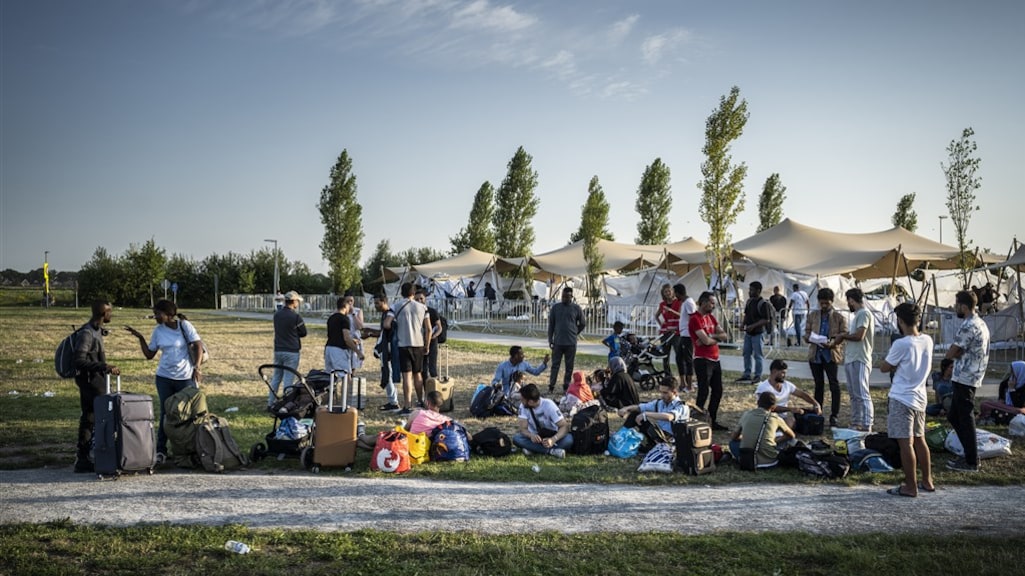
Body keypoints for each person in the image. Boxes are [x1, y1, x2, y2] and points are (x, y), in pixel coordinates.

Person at [125, 299, 204, 464]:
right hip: (164, 378)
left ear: (169, 315)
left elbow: (198, 345)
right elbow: (149, 355)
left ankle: (190, 449)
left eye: (158, 314)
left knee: (189, 414)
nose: (156, 317)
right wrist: (140, 338)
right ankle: (161, 450)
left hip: (185, 377)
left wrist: (197, 367)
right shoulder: (158, 331)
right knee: (166, 413)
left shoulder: (184, 326)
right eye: (155, 314)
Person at [879, 302, 935, 497]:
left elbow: (885, 367)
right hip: (920, 396)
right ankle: (927, 480)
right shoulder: (927, 340)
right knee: (920, 440)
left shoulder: (901, 344)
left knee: (906, 444)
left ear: (900, 321)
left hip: (901, 397)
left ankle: (910, 486)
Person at [71, 299, 121, 473]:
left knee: (91, 418)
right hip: (90, 381)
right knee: (93, 418)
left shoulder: (96, 330)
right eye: (110, 312)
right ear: (103, 313)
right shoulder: (87, 333)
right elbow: (78, 361)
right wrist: (104, 367)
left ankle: (85, 457)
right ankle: (85, 457)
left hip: (95, 379)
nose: (111, 314)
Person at [945, 290, 991, 472]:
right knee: (954, 415)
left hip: (966, 376)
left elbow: (952, 352)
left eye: (957, 305)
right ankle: (968, 452)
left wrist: (953, 355)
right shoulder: (981, 323)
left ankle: (971, 460)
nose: (956, 308)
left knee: (965, 417)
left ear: (964, 307)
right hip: (970, 374)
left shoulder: (969, 325)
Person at [804, 287, 848, 428]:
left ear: (831, 302)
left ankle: (834, 415)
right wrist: (810, 338)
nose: (823, 306)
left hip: (830, 354)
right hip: (816, 354)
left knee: (834, 385)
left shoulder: (839, 317)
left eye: (826, 304)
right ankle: (818, 410)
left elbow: (844, 334)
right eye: (821, 303)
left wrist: (833, 343)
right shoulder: (813, 316)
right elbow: (806, 333)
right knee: (819, 385)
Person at [835, 288, 874, 432]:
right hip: (851, 358)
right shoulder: (858, 315)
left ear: (852, 300)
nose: (848, 304)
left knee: (862, 393)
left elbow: (859, 336)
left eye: (848, 301)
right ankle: (856, 421)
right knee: (853, 394)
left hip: (860, 358)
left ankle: (867, 423)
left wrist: (843, 336)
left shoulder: (864, 313)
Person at [690, 291, 729, 431]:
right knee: (703, 391)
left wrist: (711, 336)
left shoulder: (711, 318)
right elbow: (704, 341)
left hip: (715, 359)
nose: (713, 306)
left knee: (717, 390)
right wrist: (710, 338)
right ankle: (697, 420)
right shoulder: (695, 319)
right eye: (712, 303)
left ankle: (712, 419)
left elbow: (724, 335)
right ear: (704, 302)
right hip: (702, 360)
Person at [617, 376, 689, 449]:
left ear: (674, 392)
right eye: (661, 392)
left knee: (642, 416)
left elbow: (669, 417)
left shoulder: (681, 406)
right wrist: (626, 408)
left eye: (665, 393)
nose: (662, 395)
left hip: (671, 440)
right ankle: (620, 436)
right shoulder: (660, 403)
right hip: (660, 434)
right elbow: (641, 407)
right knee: (635, 414)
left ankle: (653, 445)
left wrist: (646, 414)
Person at [393, 282, 432, 416]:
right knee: (418, 374)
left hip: (403, 344)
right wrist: (427, 345)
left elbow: (389, 322)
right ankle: (420, 400)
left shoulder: (396, 306)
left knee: (406, 376)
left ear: (401, 293)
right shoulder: (423, 307)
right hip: (418, 343)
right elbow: (428, 329)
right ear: (413, 293)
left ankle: (407, 404)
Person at [730, 391, 795, 469]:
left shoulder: (747, 415)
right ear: (774, 407)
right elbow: (791, 435)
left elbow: (734, 437)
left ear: (757, 402)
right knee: (790, 441)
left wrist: (745, 438)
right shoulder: (776, 418)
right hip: (770, 463)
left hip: (748, 461)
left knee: (733, 443)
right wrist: (775, 441)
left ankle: (741, 458)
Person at [753, 359, 821, 430]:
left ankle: (779, 435)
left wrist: (816, 404)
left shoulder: (787, 385)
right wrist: (790, 409)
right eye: (783, 373)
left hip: (782, 418)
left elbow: (802, 394)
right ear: (774, 371)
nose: (784, 375)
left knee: (791, 421)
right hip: (767, 418)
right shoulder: (763, 387)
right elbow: (771, 408)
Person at [267, 291, 307, 407]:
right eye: (297, 301)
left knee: (276, 377)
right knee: (288, 379)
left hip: (278, 349)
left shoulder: (277, 315)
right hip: (292, 350)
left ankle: (271, 402)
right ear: (294, 302)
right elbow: (303, 332)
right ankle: (286, 403)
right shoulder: (296, 317)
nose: (298, 303)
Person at [363, 293, 401, 412]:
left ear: (384, 302)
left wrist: (370, 333)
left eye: (377, 303)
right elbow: (382, 332)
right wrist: (370, 332)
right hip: (387, 347)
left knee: (388, 374)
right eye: (374, 303)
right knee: (387, 373)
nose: (375, 306)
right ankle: (392, 400)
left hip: (389, 349)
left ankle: (393, 401)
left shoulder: (389, 314)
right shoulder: (385, 314)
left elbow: (387, 332)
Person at [514, 383, 573, 458]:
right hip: (534, 438)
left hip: (552, 435)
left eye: (522, 399)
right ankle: (552, 451)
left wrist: (553, 439)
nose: (521, 401)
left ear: (530, 402)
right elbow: (523, 429)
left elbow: (564, 426)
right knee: (517, 438)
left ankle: (533, 449)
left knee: (569, 439)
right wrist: (531, 435)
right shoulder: (523, 407)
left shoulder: (549, 405)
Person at [547, 286, 586, 394]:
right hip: (558, 342)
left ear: (571, 297)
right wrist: (550, 339)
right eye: (563, 296)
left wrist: (574, 332)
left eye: (566, 296)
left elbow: (582, 323)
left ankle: (566, 386)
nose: (564, 298)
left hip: (571, 343)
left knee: (569, 366)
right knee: (555, 365)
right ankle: (551, 386)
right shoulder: (555, 308)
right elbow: (551, 325)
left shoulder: (576, 308)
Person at [737, 281, 771, 383]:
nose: (749, 292)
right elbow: (746, 315)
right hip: (748, 334)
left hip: (758, 333)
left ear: (758, 291)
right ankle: (747, 374)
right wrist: (743, 324)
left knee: (758, 355)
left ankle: (757, 375)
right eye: (749, 289)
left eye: (751, 290)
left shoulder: (763, 304)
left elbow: (766, 319)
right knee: (746, 353)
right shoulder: (749, 302)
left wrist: (753, 326)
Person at [324, 297, 363, 378]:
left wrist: (352, 340)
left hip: (328, 349)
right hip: (339, 350)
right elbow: (346, 338)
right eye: (349, 306)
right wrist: (358, 352)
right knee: (345, 377)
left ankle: (332, 391)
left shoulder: (331, 318)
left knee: (330, 377)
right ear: (345, 306)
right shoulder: (344, 319)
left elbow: (336, 335)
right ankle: (346, 391)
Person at [415, 288, 442, 382]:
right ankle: (425, 389)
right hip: (419, 342)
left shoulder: (432, 312)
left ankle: (435, 388)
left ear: (425, 298)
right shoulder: (414, 312)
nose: (419, 301)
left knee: (432, 367)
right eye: (417, 299)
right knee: (423, 368)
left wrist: (433, 336)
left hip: (432, 341)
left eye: (421, 298)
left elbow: (439, 327)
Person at [655, 283, 681, 378]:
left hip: (676, 332)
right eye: (665, 291)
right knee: (665, 355)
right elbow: (656, 315)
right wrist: (661, 323)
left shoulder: (678, 302)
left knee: (679, 354)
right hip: (665, 332)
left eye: (669, 291)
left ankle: (682, 374)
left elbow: (681, 315)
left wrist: (671, 311)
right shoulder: (662, 304)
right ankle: (667, 374)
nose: (667, 293)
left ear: (673, 292)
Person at [675, 283, 697, 392]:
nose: (675, 296)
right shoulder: (684, 303)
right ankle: (682, 382)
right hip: (683, 333)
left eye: (675, 293)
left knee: (688, 359)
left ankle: (689, 385)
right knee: (679, 358)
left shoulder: (689, 303)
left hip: (688, 335)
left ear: (679, 293)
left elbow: (693, 318)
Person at [788, 283, 810, 348]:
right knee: (799, 327)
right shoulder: (804, 293)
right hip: (803, 312)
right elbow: (808, 302)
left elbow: (791, 303)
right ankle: (799, 341)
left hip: (796, 312)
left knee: (797, 328)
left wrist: (788, 310)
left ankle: (799, 342)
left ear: (794, 288)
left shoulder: (794, 294)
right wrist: (808, 311)